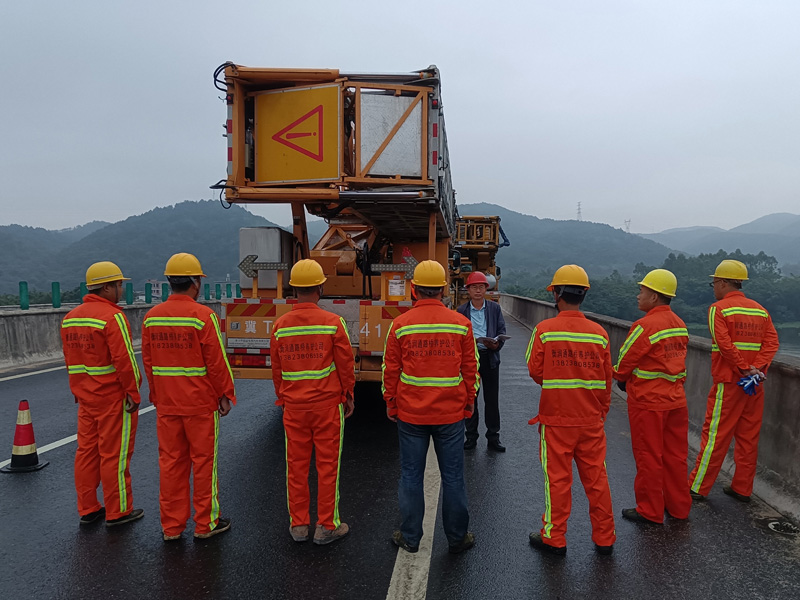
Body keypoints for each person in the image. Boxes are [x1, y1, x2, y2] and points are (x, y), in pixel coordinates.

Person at [382, 260, 479, 555]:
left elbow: (391, 370)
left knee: (411, 475)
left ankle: (410, 537)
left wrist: (391, 402)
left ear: (414, 290)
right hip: (450, 414)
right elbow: (470, 369)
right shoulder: (461, 324)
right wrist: (469, 401)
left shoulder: (401, 325)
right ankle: (457, 538)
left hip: (411, 414)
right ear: (443, 290)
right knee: (453, 476)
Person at [142, 253, 236, 541]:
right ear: (195, 283)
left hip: (167, 405)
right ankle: (206, 523)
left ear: (170, 282)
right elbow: (216, 362)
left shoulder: (151, 318)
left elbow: (149, 363)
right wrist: (224, 394)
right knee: (203, 463)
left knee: (171, 464)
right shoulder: (203, 316)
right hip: (200, 405)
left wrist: (157, 395)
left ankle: (171, 527)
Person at [525, 264, 615, 556]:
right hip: (591, 420)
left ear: (557, 294)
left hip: (556, 420)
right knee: (597, 480)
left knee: (558, 481)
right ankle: (605, 538)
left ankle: (555, 538)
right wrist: (601, 412)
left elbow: (535, 370)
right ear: (583, 294)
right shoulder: (599, 334)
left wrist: (556, 378)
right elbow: (606, 380)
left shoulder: (544, 330)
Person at [270, 259, 355, 545]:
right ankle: (326, 526)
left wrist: (283, 396)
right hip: (327, 406)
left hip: (294, 408)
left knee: (295, 467)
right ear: (321, 288)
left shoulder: (280, 326)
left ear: (294, 290)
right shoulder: (333, 323)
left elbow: (277, 370)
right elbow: (345, 365)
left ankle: (298, 525)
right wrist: (348, 395)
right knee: (327, 467)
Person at [60, 261, 143, 527]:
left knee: (86, 452)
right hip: (112, 398)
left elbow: (71, 360)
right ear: (106, 287)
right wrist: (133, 392)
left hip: (86, 398)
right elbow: (125, 361)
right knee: (114, 455)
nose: (121, 289)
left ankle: (88, 508)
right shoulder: (112, 317)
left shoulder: (70, 318)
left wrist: (80, 390)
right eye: (119, 285)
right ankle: (118, 511)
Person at [688, 260, 779, 502]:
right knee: (748, 438)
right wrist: (756, 369)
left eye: (714, 283)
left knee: (715, 436)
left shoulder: (718, 309)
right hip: (754, 386)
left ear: (723, 283)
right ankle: (742, 488)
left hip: (729, 383)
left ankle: (698, 487)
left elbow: (724, 345)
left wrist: (744, 369)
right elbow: (772, 343)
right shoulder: (761, 311)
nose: (714, 288)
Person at [613, 269, 691, 524]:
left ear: (655, 296)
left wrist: (620, 377)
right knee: (675, 457)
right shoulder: (679, 324)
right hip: (676, 400)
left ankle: (650, 510)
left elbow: (625, 360)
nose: (638, 296)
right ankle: (679, 508)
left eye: (642, 291)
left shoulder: (644, 325)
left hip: (648, 402)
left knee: (648, 456)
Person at [457, 271, 507, 452]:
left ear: (486, 289)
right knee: (471, 398)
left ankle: (493, 438)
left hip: (490, 357)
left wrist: (496, 344)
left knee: (491, 400)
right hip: (471, 359)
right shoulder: (461, 311)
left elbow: (501, 330)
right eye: (474, 287)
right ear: (468, 290)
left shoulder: (494, 309)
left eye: (481, 287)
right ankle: (471, 437)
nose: (478, 291)